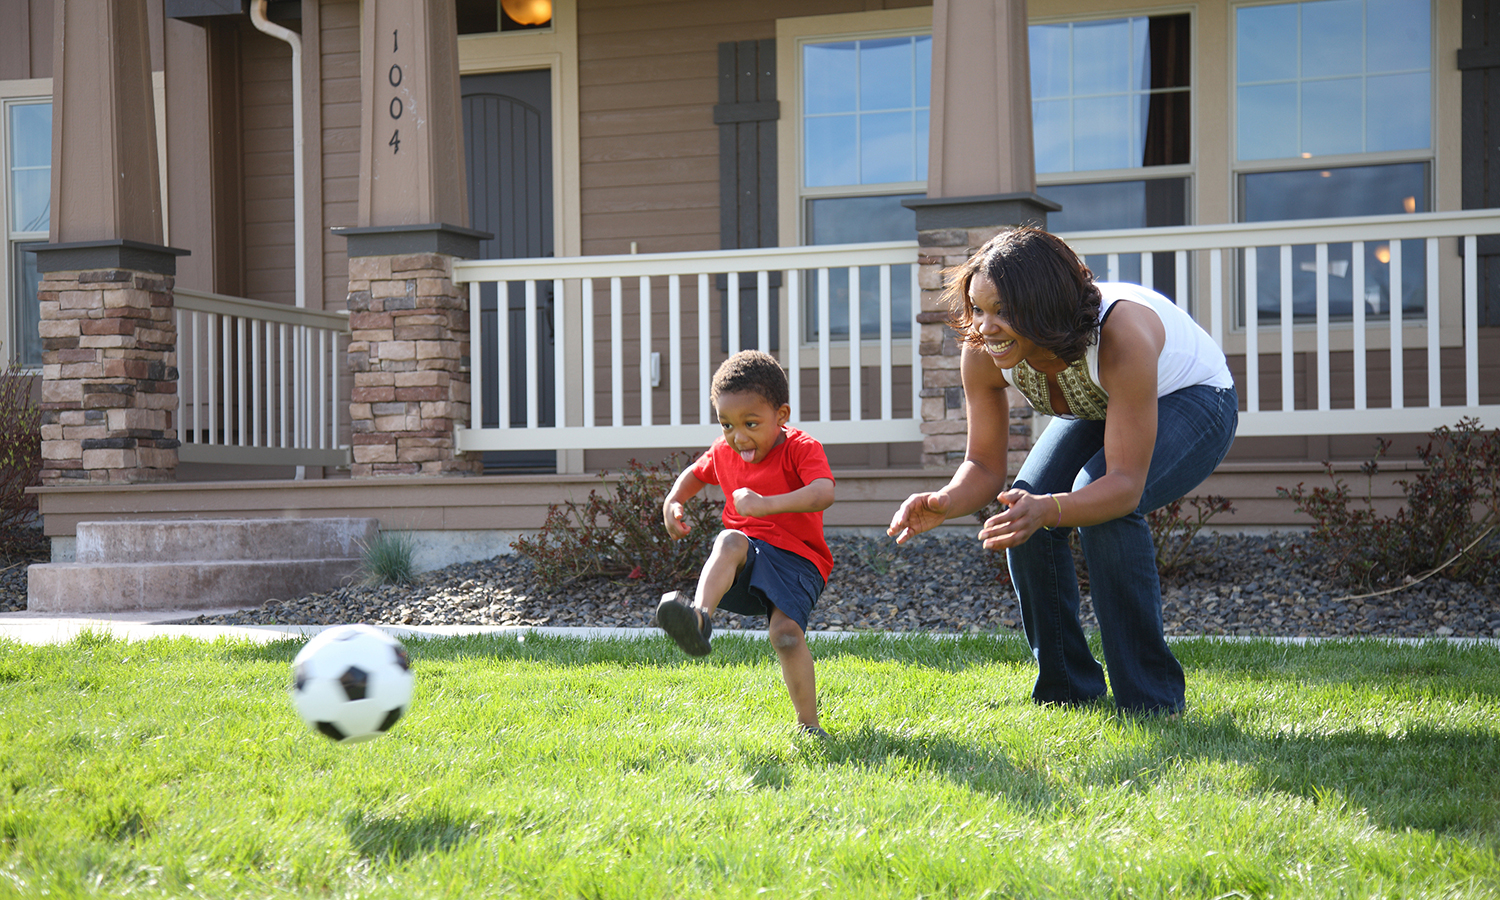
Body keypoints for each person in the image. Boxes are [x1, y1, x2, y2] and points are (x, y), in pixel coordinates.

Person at [887, 227, 1238, 715]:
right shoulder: (984, 351)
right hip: (1099, 408)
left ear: (1043, 305)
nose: (986, 326)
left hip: (1195, 400)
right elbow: (985, 466)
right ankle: (1067, 691)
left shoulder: (1119, 336)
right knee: (1022, 506)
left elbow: (1122, 488)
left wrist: (1054, 509)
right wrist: (945, 501)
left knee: (1102, 504)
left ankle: (1150, 700)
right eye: (979, 308)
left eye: (1003, 311)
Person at [658, 349, 837, 736]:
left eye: (751, 423)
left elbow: (823, 492)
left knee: (786, 635)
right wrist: (674, 501)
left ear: (781, 416)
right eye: (726, 425)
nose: (738, 437)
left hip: (799, 562)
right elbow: (696, 472)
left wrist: (766, 505)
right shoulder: (725, 451)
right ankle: (699, 619)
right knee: (730, 540)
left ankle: (809, 727)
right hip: (747, 558)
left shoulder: (801, 448)